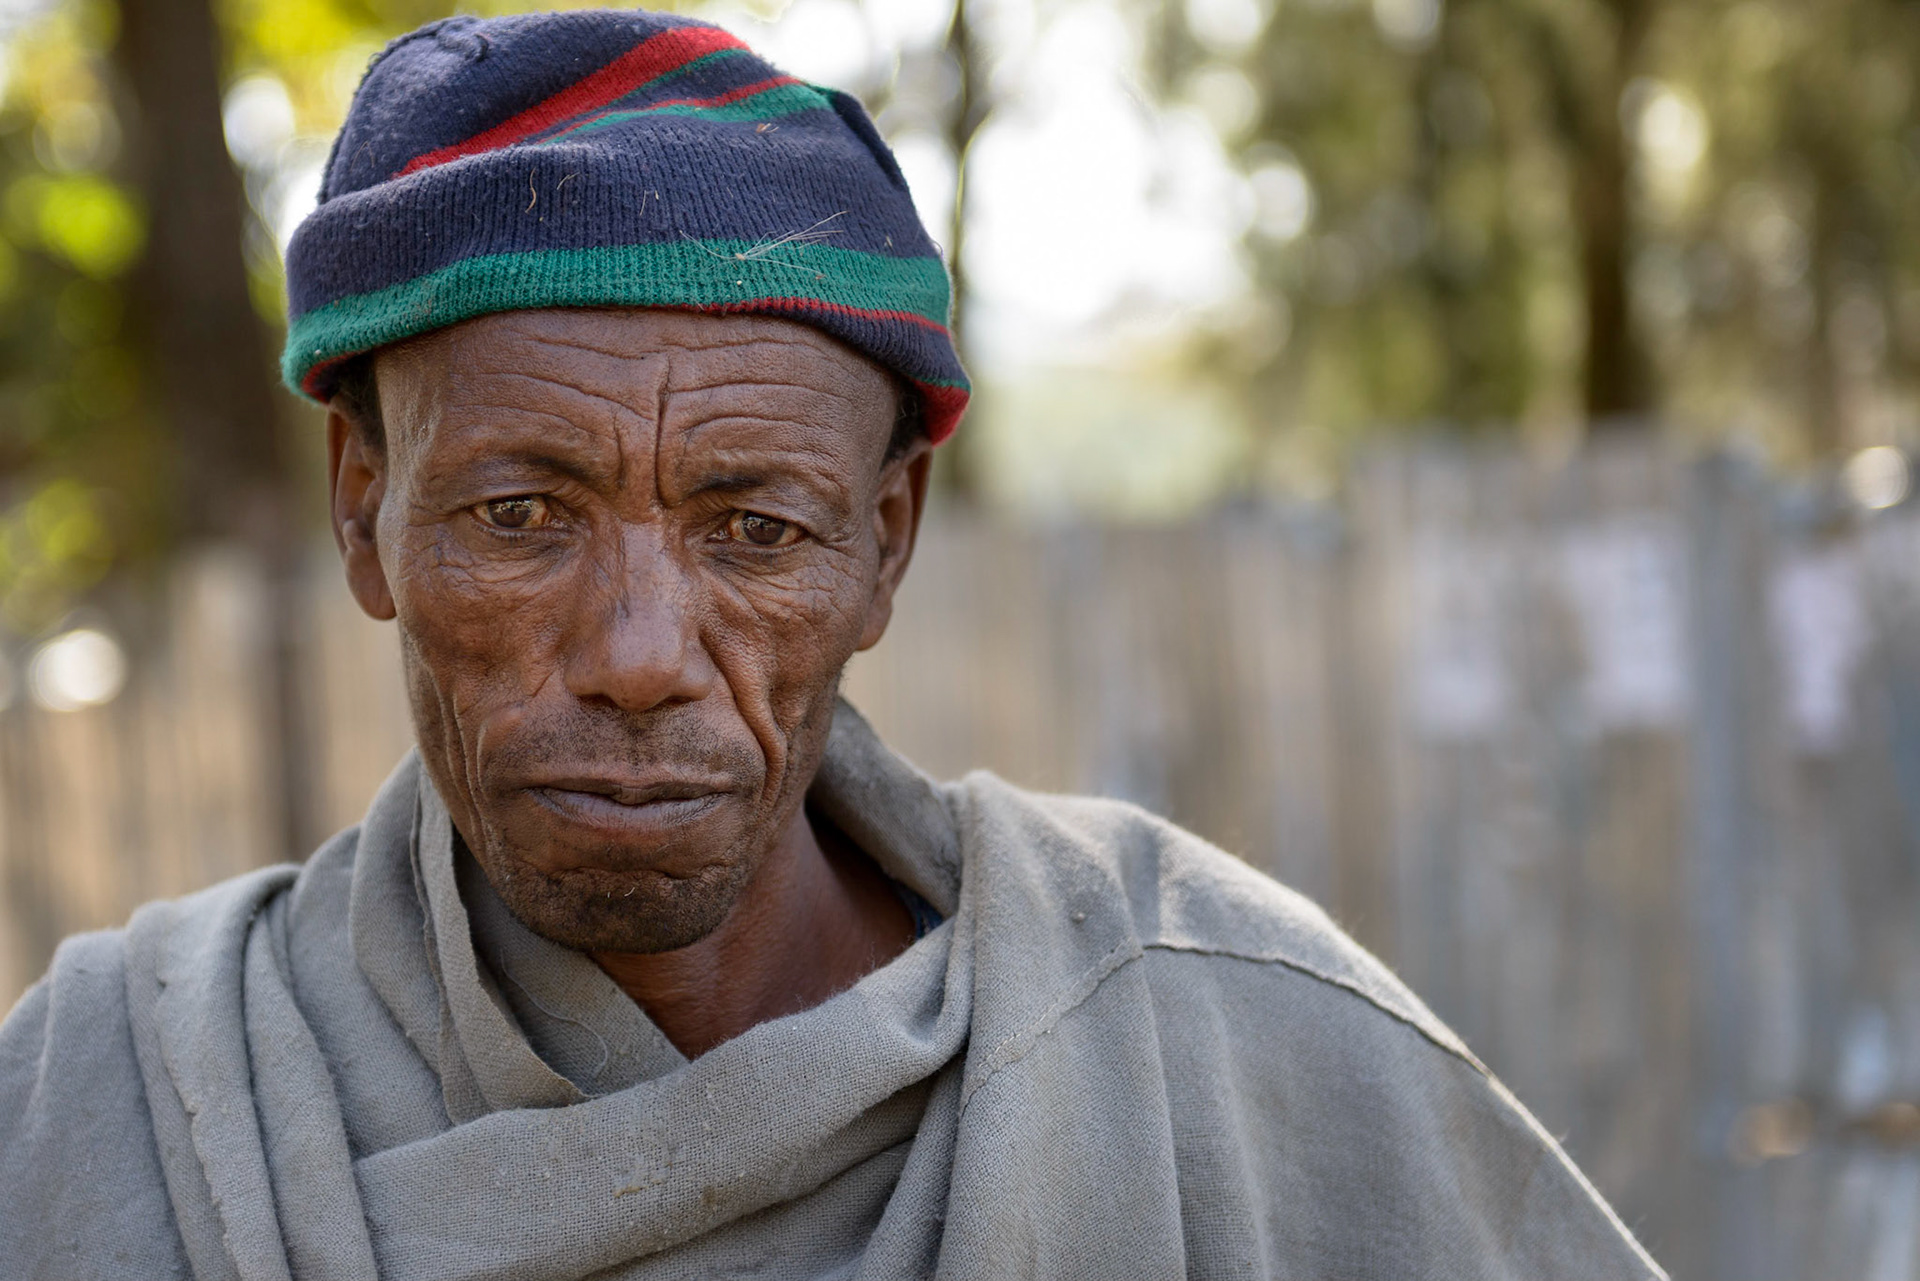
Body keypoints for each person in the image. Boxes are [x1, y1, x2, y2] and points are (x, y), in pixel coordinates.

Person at [0, 10, 1664, 1279]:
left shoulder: (1228, 1040)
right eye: (522, 515)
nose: (640, 654)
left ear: (890, 541)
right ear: (365, 510)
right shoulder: (101, 1106)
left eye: (756, 529)